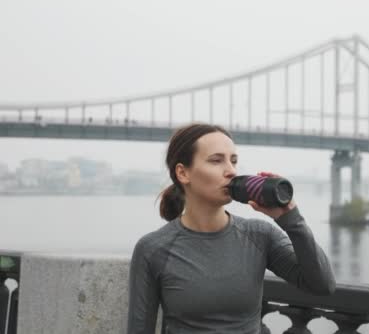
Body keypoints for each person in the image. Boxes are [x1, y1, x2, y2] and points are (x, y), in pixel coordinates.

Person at [127, 123, 335, 334]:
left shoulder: (260, 235)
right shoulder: (153, 249)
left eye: (233, 161)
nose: (231, 171)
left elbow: (322, 285)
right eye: (216, 161)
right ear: (183, 173)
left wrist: (290, 219)